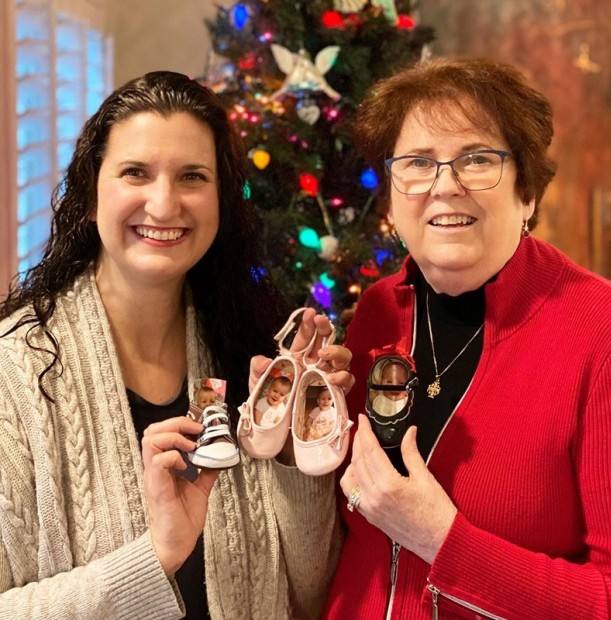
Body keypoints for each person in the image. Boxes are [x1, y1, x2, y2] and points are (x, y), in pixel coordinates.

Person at [0, 71, 353, 619]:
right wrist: (155, 557)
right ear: (91, 195)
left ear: (220, 202)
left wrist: (292, 448)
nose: (164, 206)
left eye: (192, 176)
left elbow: (310, 594)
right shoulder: (14, 373)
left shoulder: (248, 346)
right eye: (135, 173)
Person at [323, 57, 611, 619]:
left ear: (526, 191)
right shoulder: (379, 311)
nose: (445, 187)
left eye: (477, 160)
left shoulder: (605, 334)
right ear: (392, 196)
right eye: (417, 164)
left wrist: (442, 540)